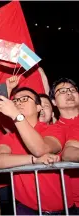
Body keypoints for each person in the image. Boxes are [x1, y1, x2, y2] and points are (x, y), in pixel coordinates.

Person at [0, 87, 74, 214]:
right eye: (15, 101)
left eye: (24, 99)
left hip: (61, 210)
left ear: (38, 108)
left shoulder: (54, 129)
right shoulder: (9, 137)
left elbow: (40, 149)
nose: (18, 103)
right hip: (26, 209)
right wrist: (34, 160)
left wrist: (16, 115)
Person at [44, 78, 79, 213]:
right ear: (53, 101)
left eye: (72, 90)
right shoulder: (51, 131)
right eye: (62, 91)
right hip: (68, 204)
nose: (69, 93)